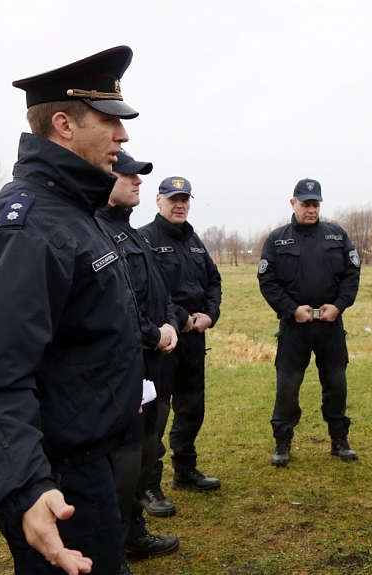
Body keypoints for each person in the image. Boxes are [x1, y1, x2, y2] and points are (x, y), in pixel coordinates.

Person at [0, 46, 144, 575]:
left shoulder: (75, 211)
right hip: (56, 483)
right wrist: (26, 488)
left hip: (88, 463)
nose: (123, 136)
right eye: (110, 120)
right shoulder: (28, 227)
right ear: (63, 125)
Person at [96, 150, 180, 575]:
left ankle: (133, 533)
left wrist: (169, 323)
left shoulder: (132, 234)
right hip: (124, 366)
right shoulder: (97, 231)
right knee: (119, 463)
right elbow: (116, 307)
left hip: (152, 366)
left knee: (145, 452)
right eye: (127, 174)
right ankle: (115, 548)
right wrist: (155, 333)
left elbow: (156, 291)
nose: (137, 181)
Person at [258, 178, 361, 467]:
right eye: (305, 204)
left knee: (336, 384)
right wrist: (292, 309)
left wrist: (339, 306)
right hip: (295, 327)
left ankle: (340, 440)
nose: (311, 210)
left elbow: (352, 275)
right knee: (287, 387)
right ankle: (282, 442)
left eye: (315, 204)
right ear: (293, 204)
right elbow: (268, 281)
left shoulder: (337, 235)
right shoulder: (277, 239)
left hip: (330, 326)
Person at [139, 176, 222, 500]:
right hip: (164, 343)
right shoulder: (145, 239)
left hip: (194, 341)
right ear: (158, 200)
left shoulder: (195, 241)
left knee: (191, 407)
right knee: (156, 415)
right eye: (173, 198)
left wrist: (210, 314)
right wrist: (183, 318)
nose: (180, 204)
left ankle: (185, 470)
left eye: (185, 198)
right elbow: (152, 293)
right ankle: (149, 485)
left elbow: (213, 281)